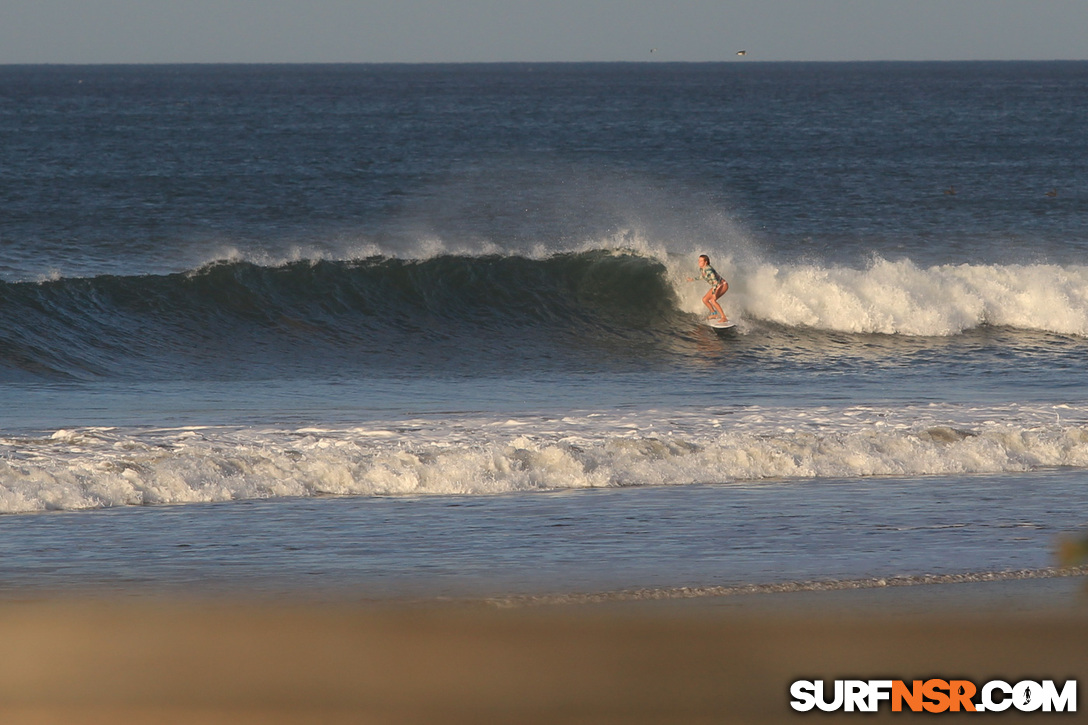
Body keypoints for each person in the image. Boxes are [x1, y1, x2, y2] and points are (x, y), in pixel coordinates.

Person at [687, 254, 729, 322]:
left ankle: (724, 317)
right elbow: (702, 276)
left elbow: (715, 281)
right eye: (698, 261)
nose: (699, 262)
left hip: (722, 285)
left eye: (701, 261)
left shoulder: (708, 269)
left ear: (705, 262)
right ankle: (714, 314)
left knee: (713, 300)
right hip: (717, 286)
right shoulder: (702, 269)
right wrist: (692, 279)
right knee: (705, 299)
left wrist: (713, 292)